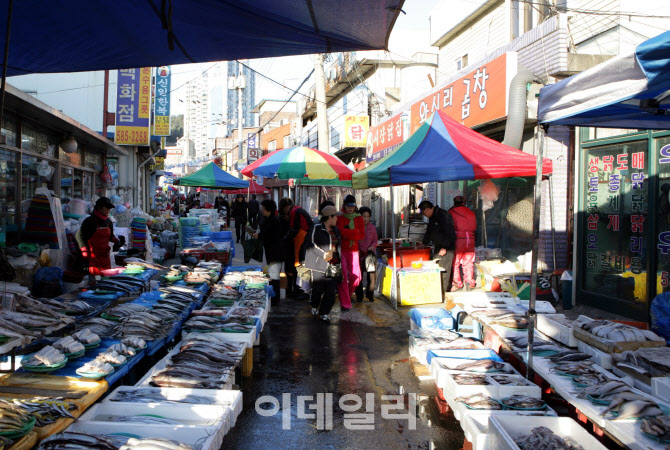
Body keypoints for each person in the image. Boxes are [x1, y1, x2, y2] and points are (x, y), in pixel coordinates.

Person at [304, 205, 342, 322]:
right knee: (317, 290)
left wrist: (339, 260)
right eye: (335, 216)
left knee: (331, 292)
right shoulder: (316, 228)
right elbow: (310, 244)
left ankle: (324, 312)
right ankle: (314, 305)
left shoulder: (336, 230)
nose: (337, 219)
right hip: (318, 265)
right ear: (329, 217)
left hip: (333, 265)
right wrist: (323, 254)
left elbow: (339, 246)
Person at [335, 195, 365, 312]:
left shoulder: (359, 218)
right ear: (344, 206)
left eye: (352, 206)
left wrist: (347, 233)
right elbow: (340, 232)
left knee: (356, 277)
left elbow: (361, 235)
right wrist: (353, 232)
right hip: (341, 250)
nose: (350, 209)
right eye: (348, 206)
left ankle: (345, 295)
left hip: (353, 250)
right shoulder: (339, 217)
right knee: (343, 277)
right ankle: (345, 303)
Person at [419, 200, 456, 294]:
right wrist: (424, 242)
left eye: (424, 213)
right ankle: (437, 290)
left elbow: (450, 232)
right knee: (437, 268)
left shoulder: (443, 215)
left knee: (443, 269)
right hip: (438, 246)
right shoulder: (432, 217)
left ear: (427, 209)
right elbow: (429, 231)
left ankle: (442, 292)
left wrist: (445, 247)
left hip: (446, 248)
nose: (424, 215)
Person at [78, 197, 120, 278]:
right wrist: (85, 256)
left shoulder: (108, 221)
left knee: (105, 281)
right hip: (92, 260)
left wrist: (117, 241)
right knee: (94, 284)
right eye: (106, 207)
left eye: (109, 208)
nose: (108, 210)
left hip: (105, 259)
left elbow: (111, 236)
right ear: (99, 207)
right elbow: (81, 239)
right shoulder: (90, 221)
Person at [251, 200, 283, 305]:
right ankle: (274, 297)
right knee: (272, 275)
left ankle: (275, 299)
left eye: (263, 208)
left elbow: (271, 236)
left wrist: (259, 236)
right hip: (271, 251)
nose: (262, 210)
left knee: (274, 276)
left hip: (275, 252)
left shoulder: (274, 220)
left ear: (268, 209)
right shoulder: (268, 219)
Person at [449, 196, 477, 291]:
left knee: (455, 262)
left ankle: (457, 283)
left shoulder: (451, 212)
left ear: (454, 202)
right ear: (464, 203)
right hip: (470, 239)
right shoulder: (470, 212)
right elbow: (474, 227)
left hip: (458, 240)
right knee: (469, 262)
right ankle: (469, 282)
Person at [279, 197, 312, 267]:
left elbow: (293, 229)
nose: (284, 211)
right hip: (308, 235)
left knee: (299, 259)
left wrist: (284, 239)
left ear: (287, 207)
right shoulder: (298, 209)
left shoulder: (293, 212)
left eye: (283, 209)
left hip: (302, 237)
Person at [354, 206, 378, 302]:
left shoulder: (372, 228)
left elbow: (375, 240)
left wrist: (372, 247)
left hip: (369, 254)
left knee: (371, 275)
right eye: (364, 216)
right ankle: (359, 295)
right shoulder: (355, 226)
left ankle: (370, 294)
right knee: (358, 276)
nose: (366, 219)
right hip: (357, 254)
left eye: (368, 217)